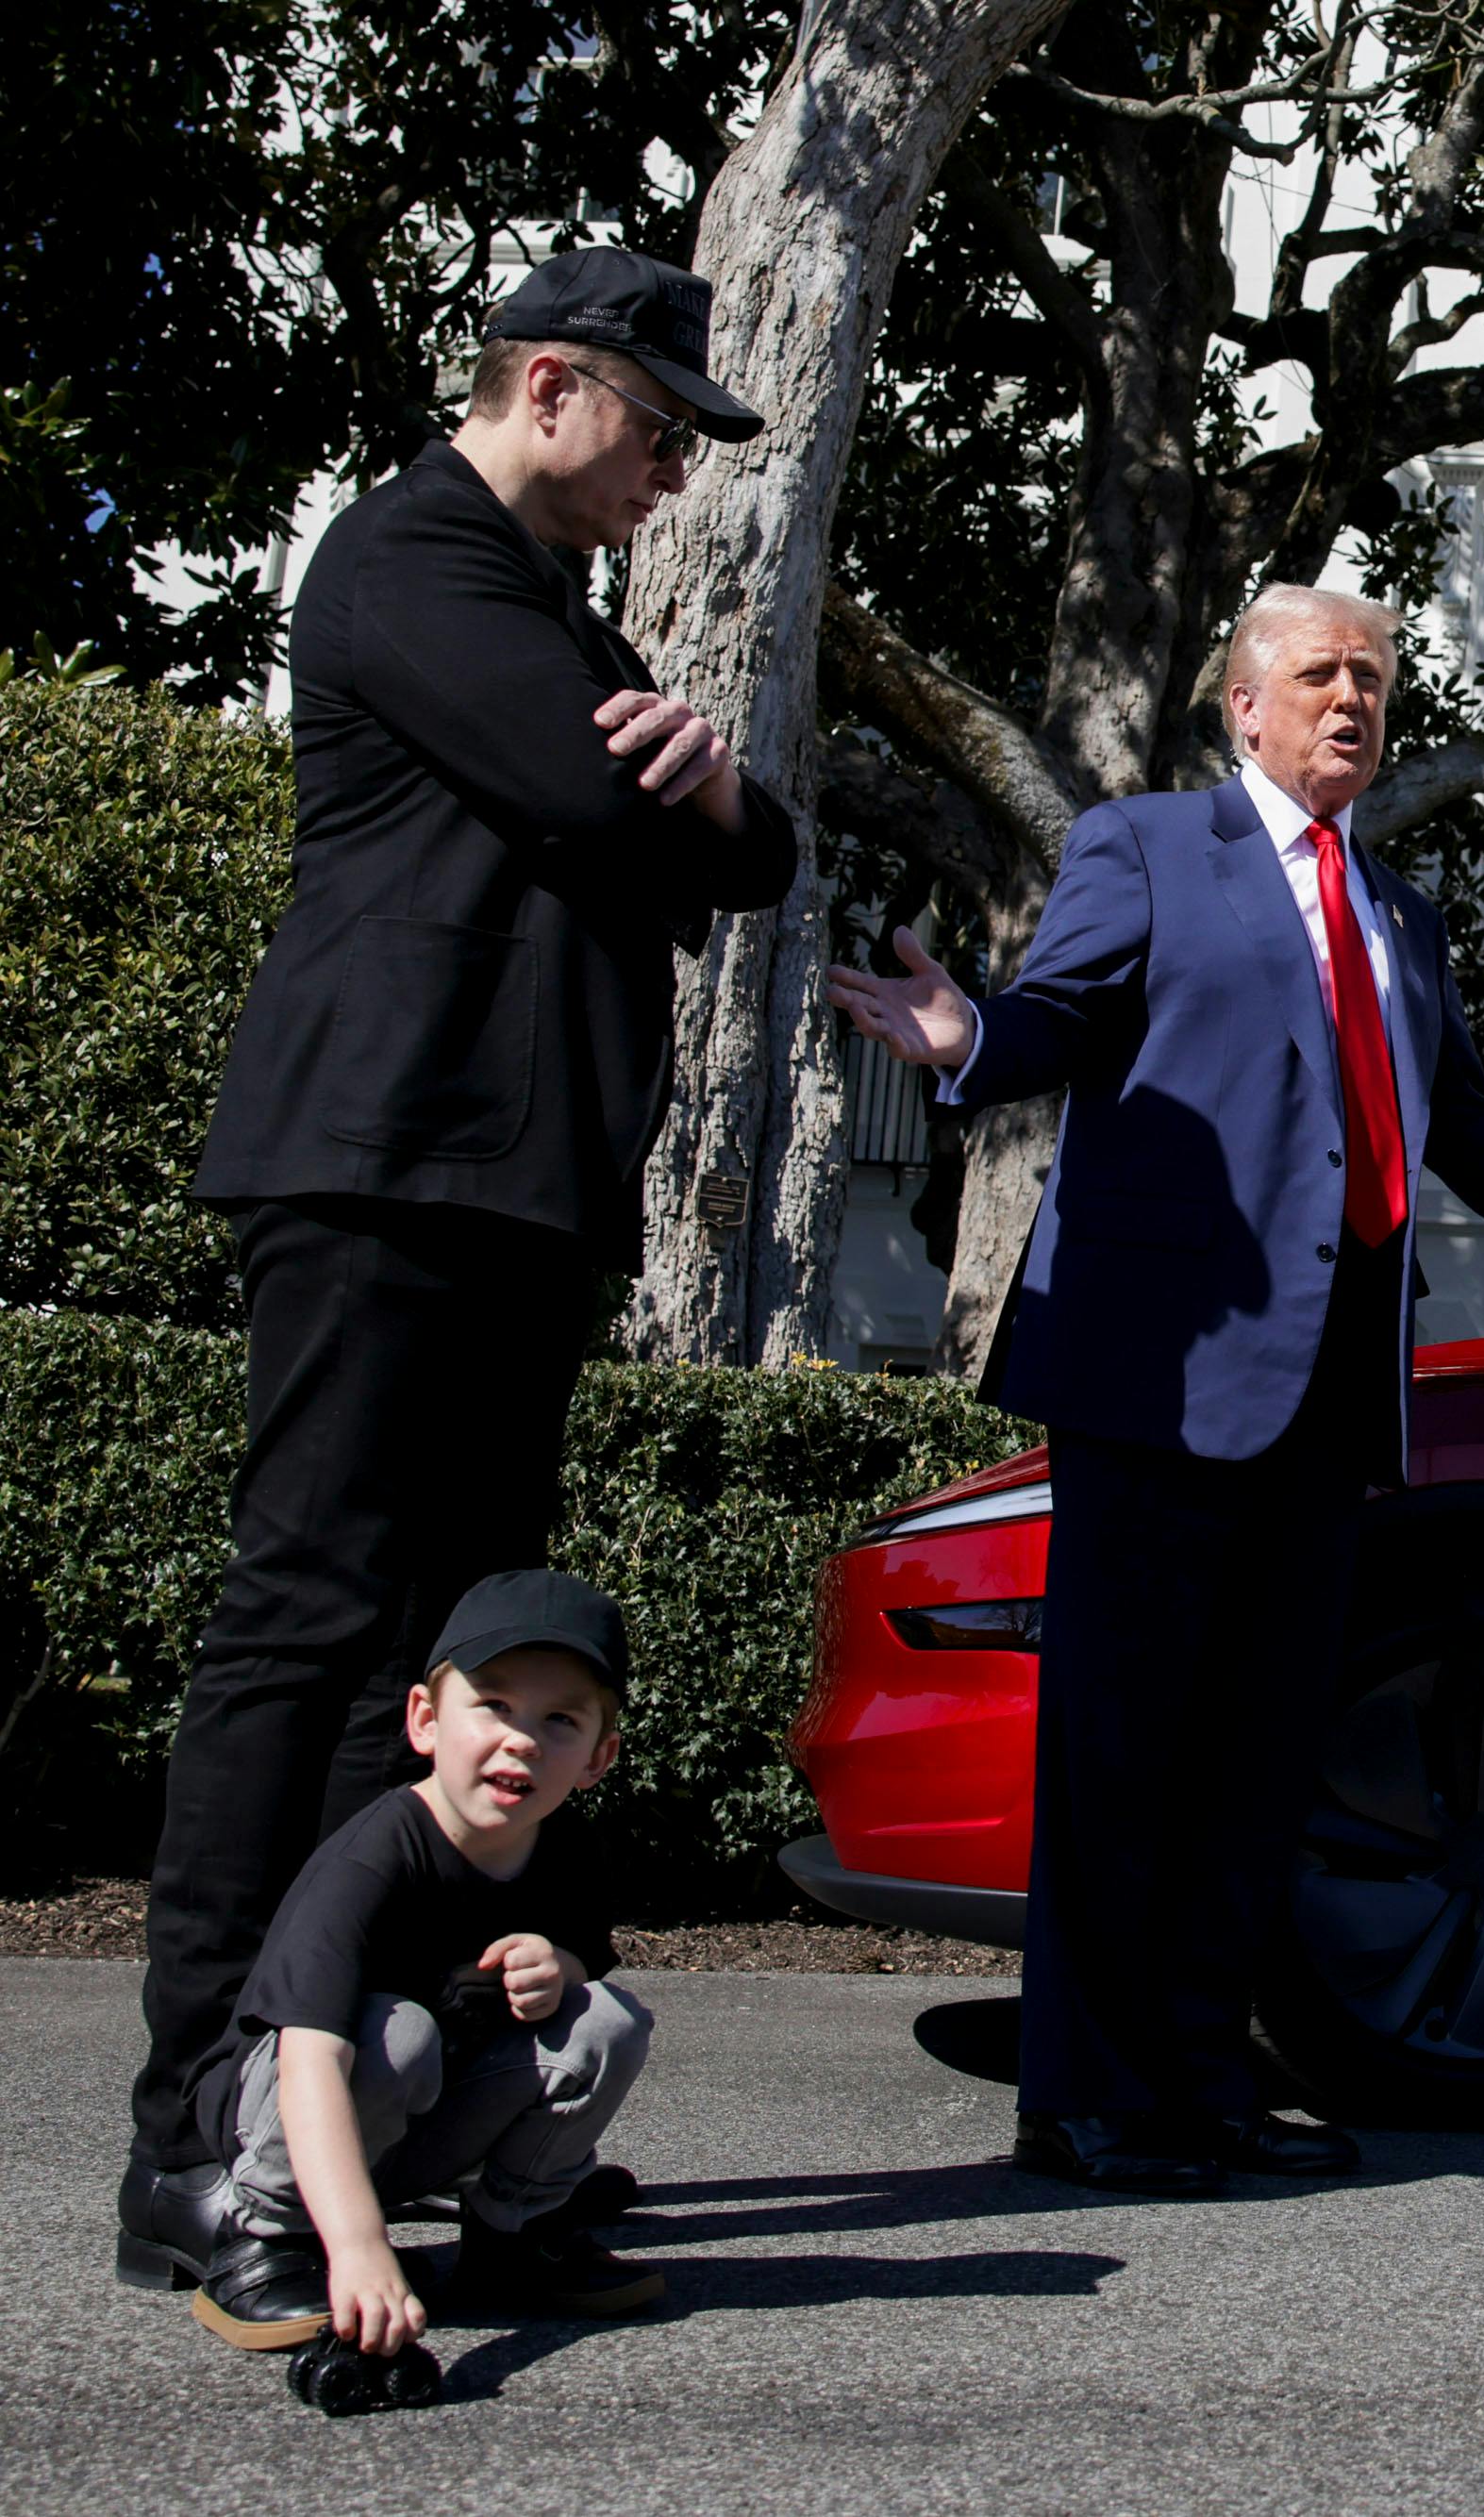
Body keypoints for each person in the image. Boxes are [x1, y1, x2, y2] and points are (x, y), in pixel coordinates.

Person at [827, 584, 1484, 2191]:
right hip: (1169, 1370)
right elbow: (1056, 1016)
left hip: (1333, 1384)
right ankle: (1087, 2094)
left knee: (1256, 1755)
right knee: (1128, 1747)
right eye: (1320, 673)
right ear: (1241, 707)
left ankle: (1199, 2078)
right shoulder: (1148, 848)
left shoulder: (1399, 908)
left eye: (1375, 680)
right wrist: (967, 1037)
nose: (1352, 700)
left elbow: (1471, 1135)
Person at [119, 246, 794, 2287]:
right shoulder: (411, 562)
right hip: (382, 1163)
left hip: (516, 1188)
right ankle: (194, 2139)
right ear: (548, 385)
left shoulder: (551, 613)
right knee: (307, 1624)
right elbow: (600, 795)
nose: (674, 473)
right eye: (660, 427)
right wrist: (679, 798)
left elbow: (746, 855)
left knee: (428, 1662)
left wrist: (713, 798)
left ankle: (357, 2105)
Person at [185, 1571, 661, 2356]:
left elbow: (583, 1966)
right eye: (494, 1705)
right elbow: (310, 2062)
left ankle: (515, 2236)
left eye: (561, 1719)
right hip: (296, 2119)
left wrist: (561, 1966)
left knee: (607, 2019)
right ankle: (266, 2240)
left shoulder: (566, 1846)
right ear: (425, 1720)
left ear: (596, 1757)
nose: (523, 1737)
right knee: (396, 2032)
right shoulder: (374, 1858)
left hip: (423, 2129)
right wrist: (361, 2248)